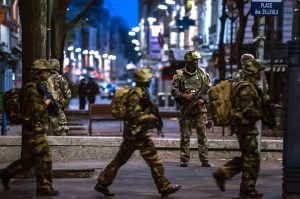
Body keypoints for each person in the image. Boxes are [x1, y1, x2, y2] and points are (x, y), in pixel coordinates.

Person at [94, 68, 181, 197]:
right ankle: (164, 186)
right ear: (144, 80)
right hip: (138, 133)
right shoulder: (136, 94)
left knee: (119, 160)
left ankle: (102, 183)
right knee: (154, 160)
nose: (151, 80)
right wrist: (149, 118)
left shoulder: (143, 92)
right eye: (149, 79)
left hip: (133, 133)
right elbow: (133, 114)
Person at [0, 59, 59, 196]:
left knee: (31, 160)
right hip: (34, 129)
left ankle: (6, 173)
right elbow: (36, 110)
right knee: (45, 157)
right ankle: (44, 187)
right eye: (46, 70)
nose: (48, 72)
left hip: (37, 128)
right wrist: (47, 102)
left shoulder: (39, 87)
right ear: (39, 72)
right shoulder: (32, 89)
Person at [213, 59, 265, 198]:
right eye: (259, 72)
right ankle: (247, 188)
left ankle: (226, 175)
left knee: (248, 157)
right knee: (252, 158)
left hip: (244, 127)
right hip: (245, 127)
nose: (260, 74)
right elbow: (247, 109)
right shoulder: (246, 87)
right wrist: (261, 114)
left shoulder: (246, 85)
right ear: (253, 72)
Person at [171, 49, 212, 167]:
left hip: (200, 110)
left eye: (197, 60)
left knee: (202, 135)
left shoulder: (202, 73)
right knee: (185, 135)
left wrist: (203, 100)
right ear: (188, 61)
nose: (196, 62)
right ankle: (184, 158)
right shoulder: (179, 75)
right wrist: (184, 95)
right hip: (186, 109)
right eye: (194, 60)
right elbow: (174, 91)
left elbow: (209, 90)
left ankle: (204, 159)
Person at [45, 58, 72, 136]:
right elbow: (68, 94)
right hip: (57, 107)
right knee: (60, 131)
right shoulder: (60, 78)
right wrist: (63, 100)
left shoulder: (44, 78)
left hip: (44, 106)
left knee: (42, 130)